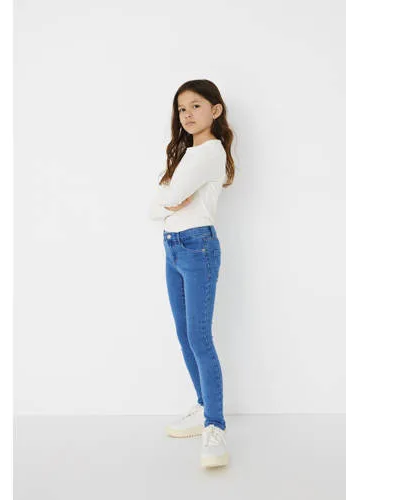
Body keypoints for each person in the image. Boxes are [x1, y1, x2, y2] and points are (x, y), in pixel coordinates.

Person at [148, 79, 236, 468]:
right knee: (185, 335)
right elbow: (157, 206)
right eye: (181, 109)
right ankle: (203, 408)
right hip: (173, 245)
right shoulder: (187, 154)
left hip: (197, 246)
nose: (187, 114)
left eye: (196, 106)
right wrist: (168, 201)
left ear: (215, 110)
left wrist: (169, 199)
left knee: (199, 338)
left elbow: (167, 197)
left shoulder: (210, 152)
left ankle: (215, 426)